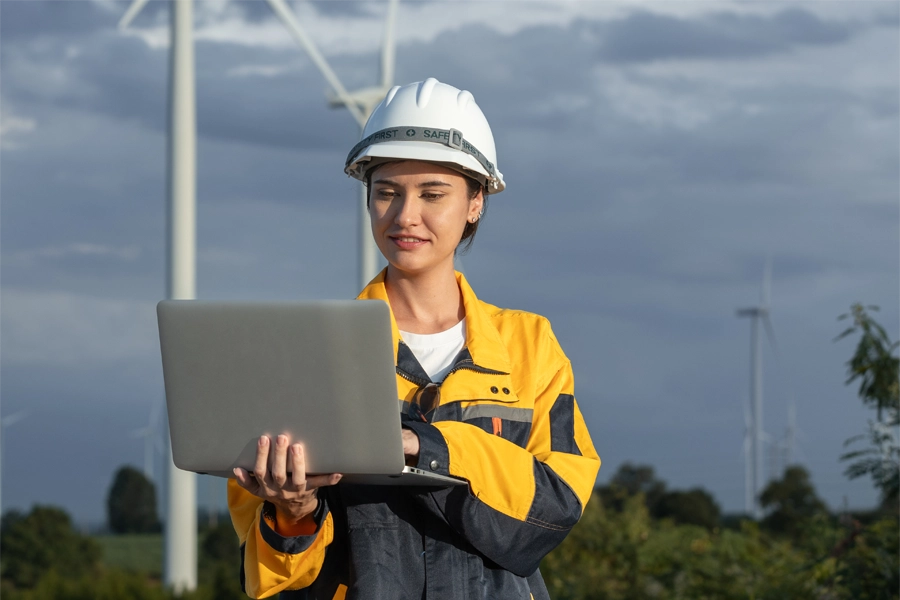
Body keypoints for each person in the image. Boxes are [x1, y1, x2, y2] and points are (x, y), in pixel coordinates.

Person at [228, 78, 600, 600]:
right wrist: (294, 512)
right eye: (386, 192)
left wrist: (424, 447)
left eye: (432, 194)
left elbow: (553, 509)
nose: (405, 216)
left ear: (475, 201)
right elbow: (272, 579)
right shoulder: (308, 351)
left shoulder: (529, 346)